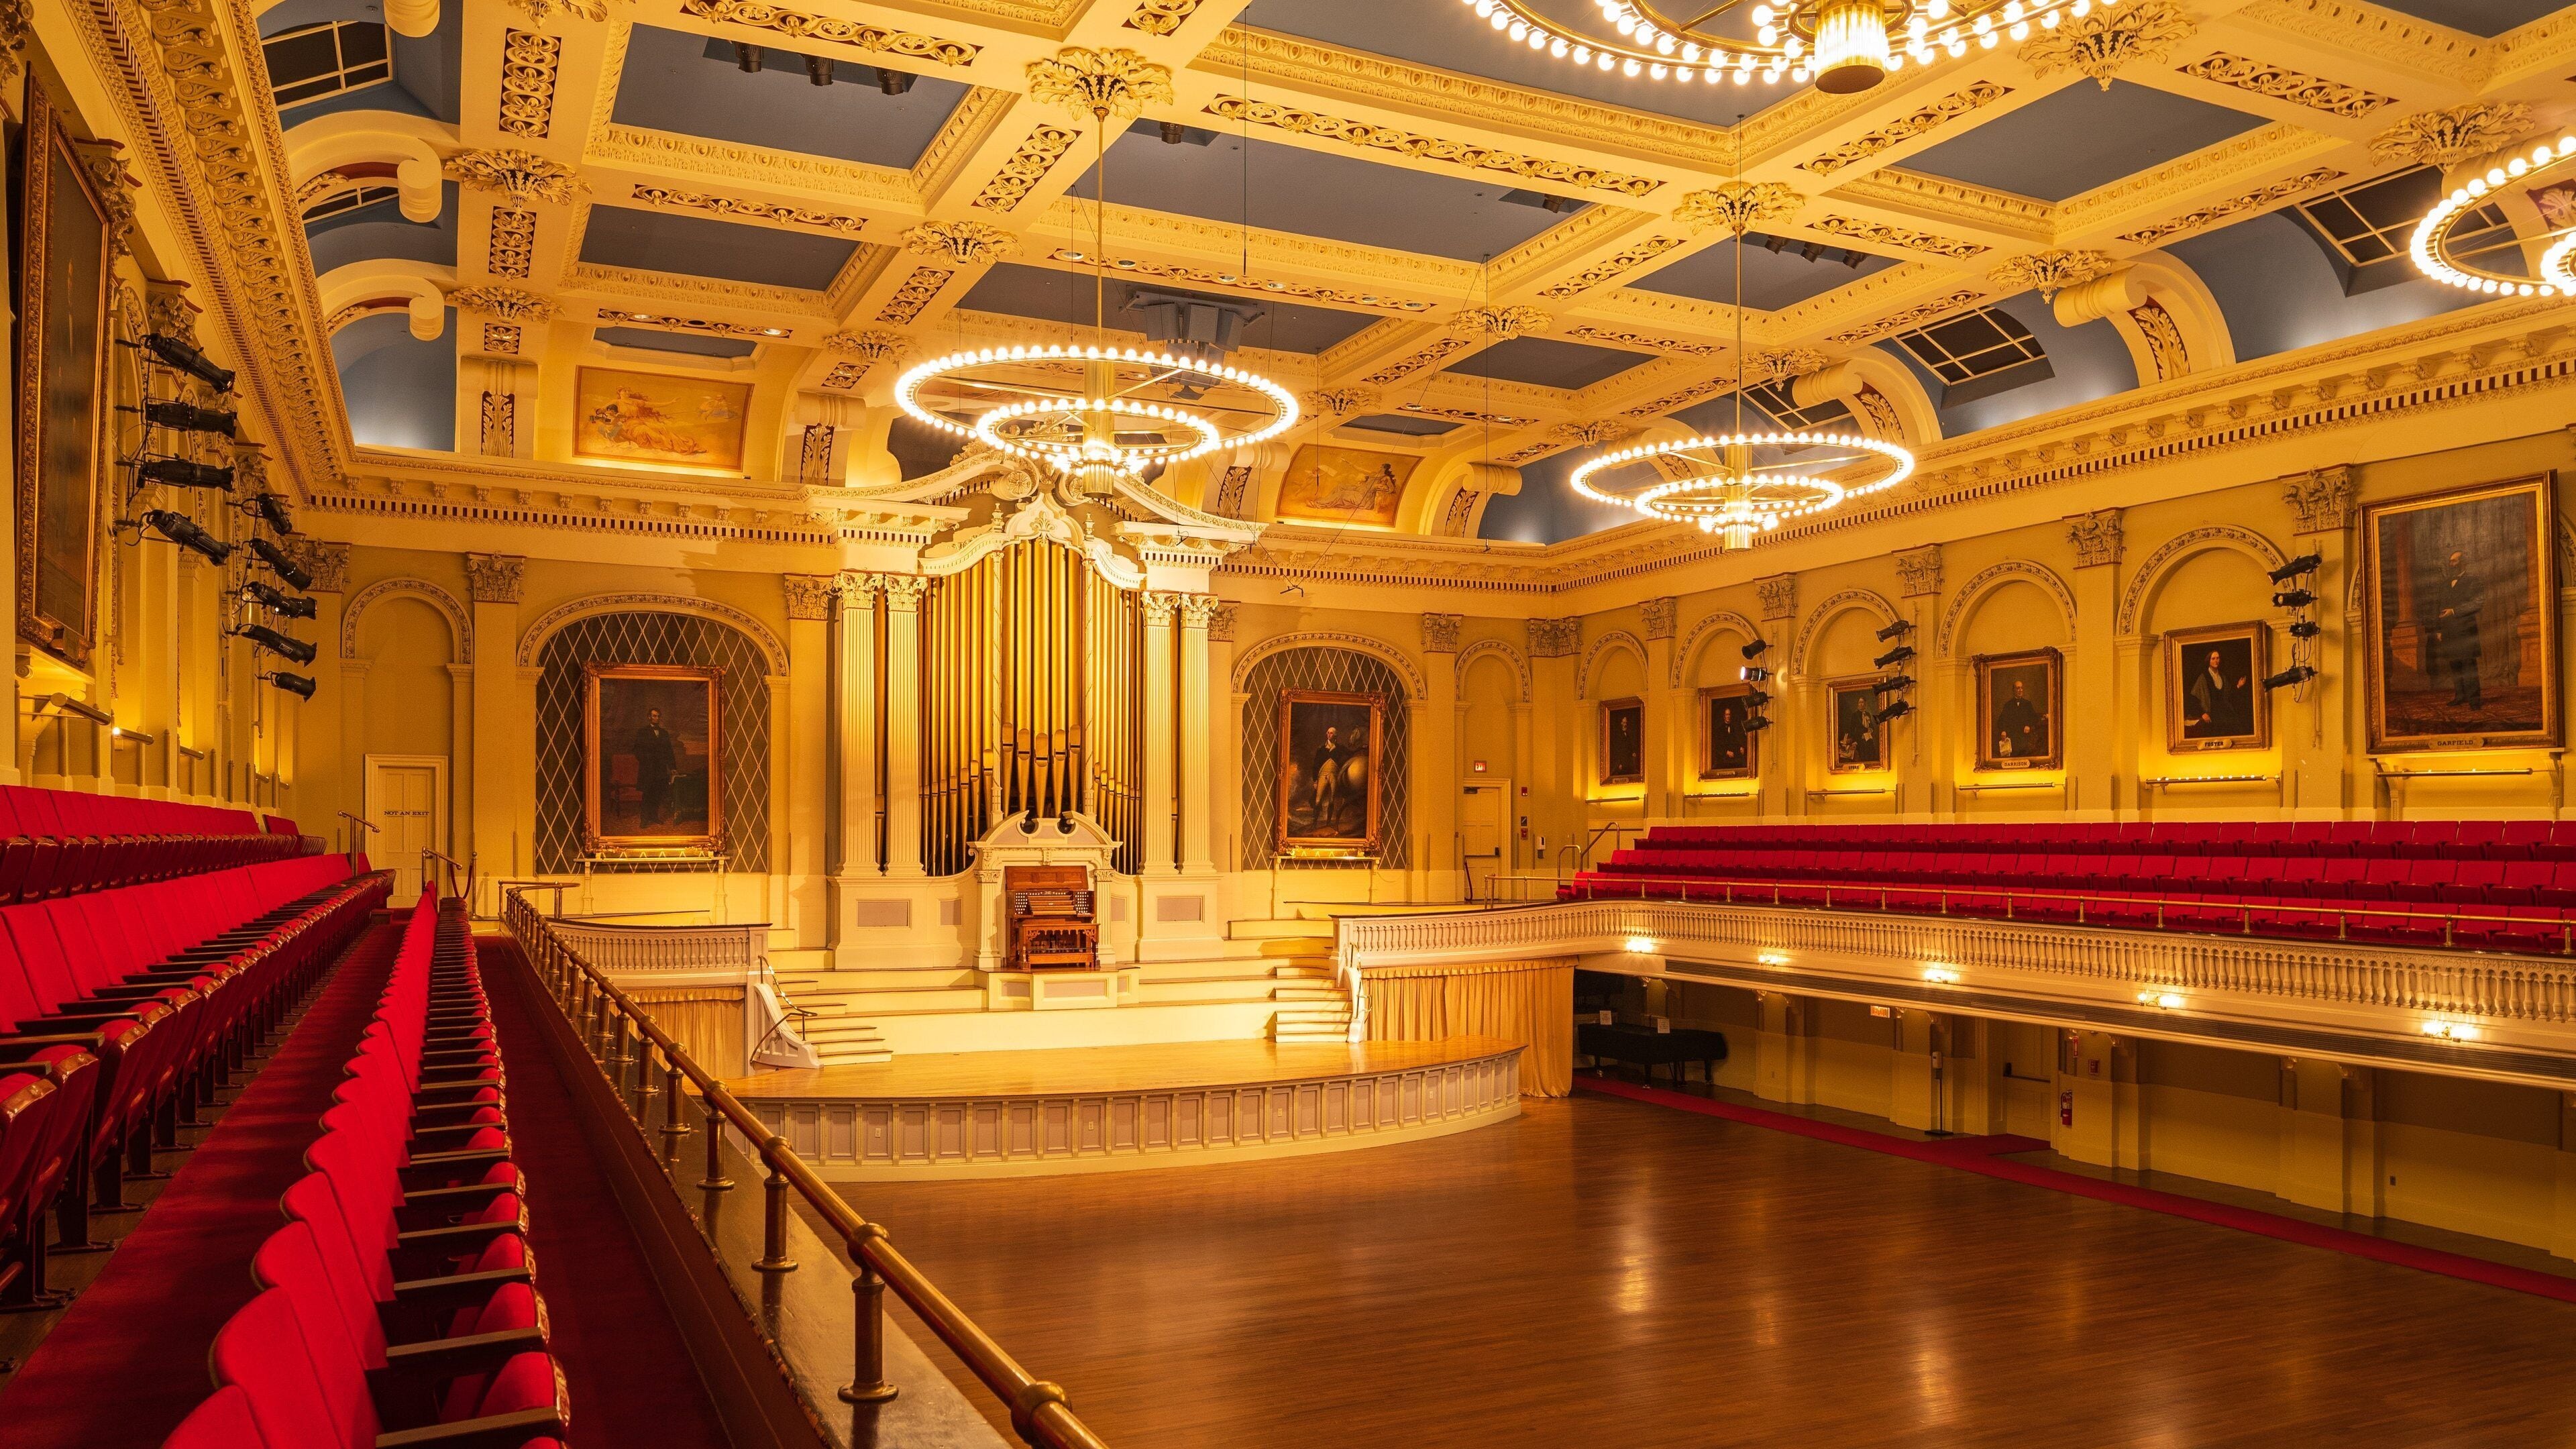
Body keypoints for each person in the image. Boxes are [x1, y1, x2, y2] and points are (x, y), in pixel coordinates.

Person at [2429, 549, 2484, 708]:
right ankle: (2460, 696)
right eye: (2451, 562)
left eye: (2455, 561)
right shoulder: (2445, 583)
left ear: (2463, 562)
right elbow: (2439, 606)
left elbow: (2477, 603)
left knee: (2469, 666)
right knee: (2455, 665)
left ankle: (2474, 701)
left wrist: (2454, 611)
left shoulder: (2474, 580)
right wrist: (2439, 630)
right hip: (2448, 631)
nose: (2451, 564)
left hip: (2466, 631)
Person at [2186, 646, 2252, 737]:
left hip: (2224, 712)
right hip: (2211, 713)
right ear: (2209, 661)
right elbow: (2193, 698)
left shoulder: (2222, 677)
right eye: (2213, 659)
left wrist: (2238, 686)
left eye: (2218, 658)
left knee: (2238, 725)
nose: (2216, 661)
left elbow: (2229, 695)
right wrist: (2202, 713)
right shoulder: (2203, 678)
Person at [631, 707, 680, 828]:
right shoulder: (642, 732)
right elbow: (637, 750)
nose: (656, 718)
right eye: (654, 716)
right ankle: (644, 819)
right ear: (649, 717)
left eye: (658, 716)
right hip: (648, 770)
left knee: (658, 794)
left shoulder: (664, 733)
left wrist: (672, 767)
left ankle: (654, 816)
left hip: (661, 770)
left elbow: (669, 751)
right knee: (647, 794)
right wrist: (646, 760)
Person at [1993, 678, 2045, 760]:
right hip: (2012, 739)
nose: (2020, 690)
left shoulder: (2028, 704)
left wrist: (2028, 725)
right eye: (2018, 688)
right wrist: (2003, 730)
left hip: (2025, 739)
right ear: (2014, 690)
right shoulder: (2008, 705)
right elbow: (2002, 720)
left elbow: (2034, 718)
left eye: (2021, 688)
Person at [1310, 725, 1347, 831]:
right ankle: (1314, 824)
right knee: (1318, 800)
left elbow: (1350, 753)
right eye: (1328, 732)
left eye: (1331, 733)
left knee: (1332, 800)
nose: (1328, 734)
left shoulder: (1340, 748)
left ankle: (1328, 823)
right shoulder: (1321, 749)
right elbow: (1315, 765)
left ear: (1335, 735)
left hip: (1334, 775)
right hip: (1323, 775)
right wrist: (1315, 780)